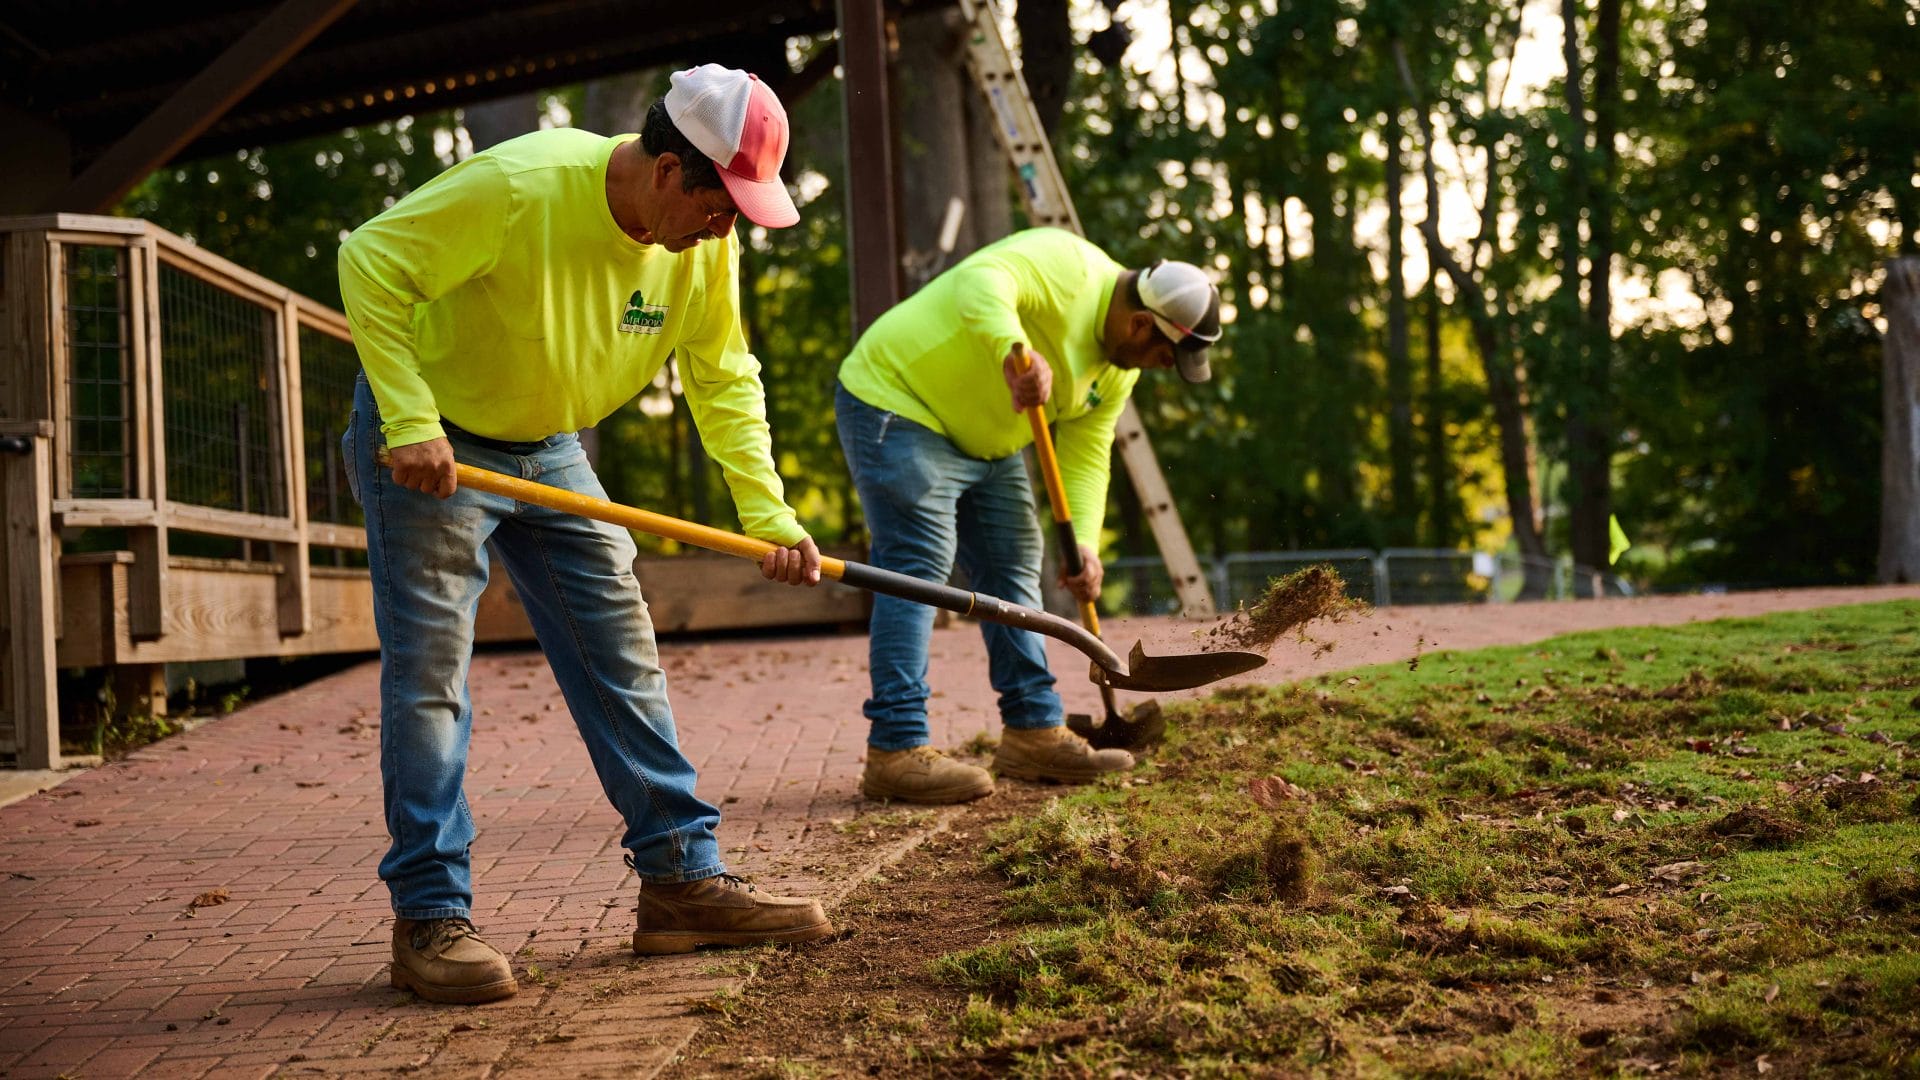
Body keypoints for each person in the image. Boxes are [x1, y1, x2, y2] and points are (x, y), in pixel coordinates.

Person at [338, 64, 833, 1005]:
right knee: (432, 679)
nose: (727, 227)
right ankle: (430, 918)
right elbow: (369, 259)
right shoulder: (518, 187)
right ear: (664, 171)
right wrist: (407, 419)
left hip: (549, 444)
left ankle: (682, 880)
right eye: (720, 204)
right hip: (436, 440)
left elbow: (724, 376)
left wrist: (768, 515)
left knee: (623, 649)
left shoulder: (703, 247)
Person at [835, 227, 1222, 804]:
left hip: (990, 442)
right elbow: (979, 282)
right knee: (918, 564)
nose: (1162, 367)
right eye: (1164, 356)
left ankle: (1032, 730)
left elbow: (1088, 454)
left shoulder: (1118, 371)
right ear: (1142, 324)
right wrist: (1015, 351)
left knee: (1017, 567)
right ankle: (895, 747)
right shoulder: (1067, 264)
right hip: (898, 400)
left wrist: (1084, 545)